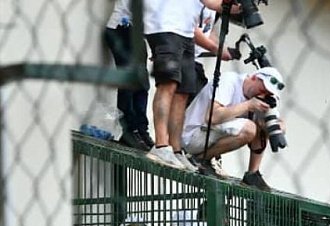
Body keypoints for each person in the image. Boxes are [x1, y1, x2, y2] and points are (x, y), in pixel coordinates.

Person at [143, 0, 231, 171]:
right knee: (168, 85)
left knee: (183, 92)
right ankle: (161, 145)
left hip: (185, 31)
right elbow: (212, 2)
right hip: (165, 26)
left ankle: (176, 150)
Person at [180, 67, 286, 190]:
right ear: (253, 78)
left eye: (268, 94)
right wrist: (248, 105)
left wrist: (276, 127)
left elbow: (276, 124)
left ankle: (252, 174)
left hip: (209, 137)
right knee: (249, 128)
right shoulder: (230, 80)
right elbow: (212, 117)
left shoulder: (259, 98)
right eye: (263, 90)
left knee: (262, 125)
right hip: (192, 136)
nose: (263, 95)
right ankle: (200, 159)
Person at [103, 0, 153, 151]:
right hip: (120, 29)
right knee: (129, 80)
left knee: (143, 82)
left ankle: (141, 129)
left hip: (135, 33)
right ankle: (128, 130)